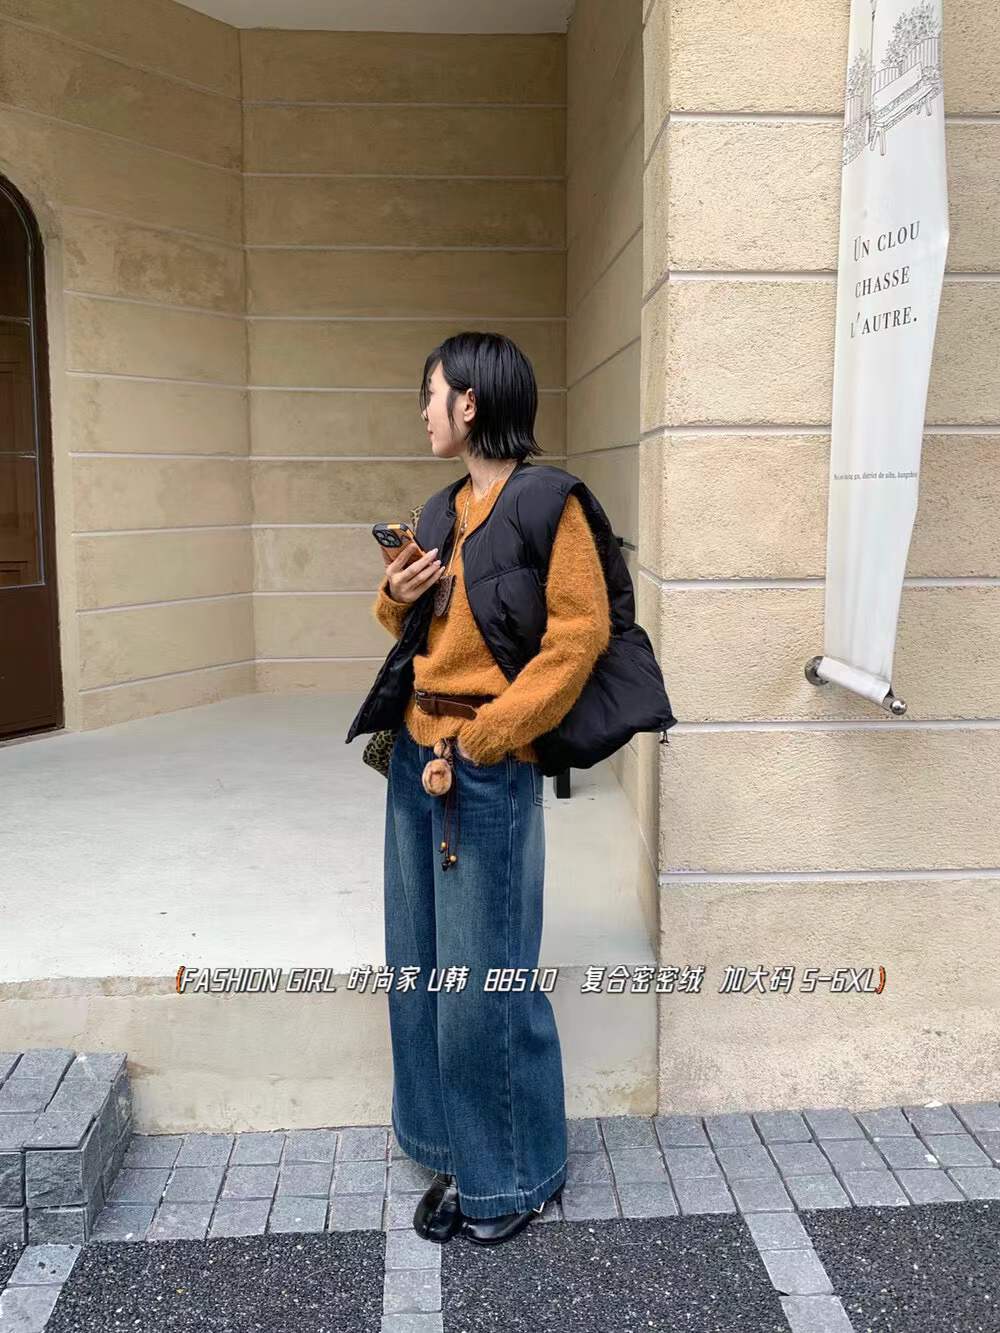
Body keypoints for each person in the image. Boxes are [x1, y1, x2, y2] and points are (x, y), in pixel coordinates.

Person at [371, 332, 612, 1246]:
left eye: (430, 393)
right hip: (415, 757)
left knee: (484, 982)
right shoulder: (440, 508)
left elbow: (579, 636)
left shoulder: (550, 502)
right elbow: (405, 624)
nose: (423, 411)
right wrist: (398, 590)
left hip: (483, 760)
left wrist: (489, 734)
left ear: (470, 402)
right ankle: (451, 1149)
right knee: (420, 967)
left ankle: (511, 1177)